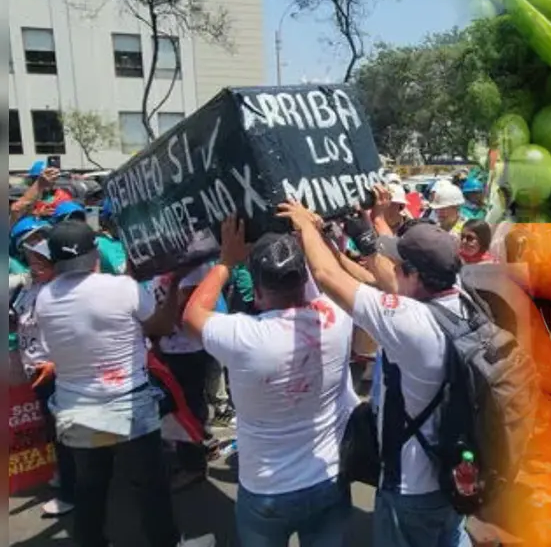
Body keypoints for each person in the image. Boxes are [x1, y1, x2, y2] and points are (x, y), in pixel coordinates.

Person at [278, 197, 469, 547]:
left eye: (398, 266)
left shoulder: (409, 322)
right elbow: (387, 280)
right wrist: (371, 223)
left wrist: (305, 226)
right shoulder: (464, 301)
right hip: (455, 474)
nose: (391, 270)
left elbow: (326, 276)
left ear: (415, 275)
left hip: (412, 487)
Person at [32, 220, 215, 547]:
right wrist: (172, 284)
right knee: (150, 484)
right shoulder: (121, 289)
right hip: (128, 406)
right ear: (95, 256)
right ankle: (167, 542)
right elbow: (158, 325)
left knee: (91, 485)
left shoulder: (44, 298)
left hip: (75, 409)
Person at [181, 217, 359, 547]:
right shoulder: (336, 317)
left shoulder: (244, 336)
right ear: (304, 277)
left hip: (266, 489)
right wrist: (308, 236)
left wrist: (225, 262)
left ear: (257, 291)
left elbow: (192, 316)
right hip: (328, 477)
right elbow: (323, 281)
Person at [11, 221, 77, 517]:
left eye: (42, 260)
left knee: (66, 433)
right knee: (54, 430)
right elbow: (20, 319)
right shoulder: (30, 288)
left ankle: (72, 491)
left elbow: (76, 334)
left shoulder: (62, 291)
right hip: (36, 372)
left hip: (56, 372)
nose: (34, 264)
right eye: (31, 258)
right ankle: (67, 475)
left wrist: (56, 364)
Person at [149, 261, 216, 491]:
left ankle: (194, 466)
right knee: (178, 407)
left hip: (189, 349)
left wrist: (161, 320)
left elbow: (187, 314)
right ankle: (192, 451)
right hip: (168, 347)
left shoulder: (195, 266)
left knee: (189, 406)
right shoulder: (162, 265)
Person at [95, 199, 128, 275]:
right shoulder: (101, 244)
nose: (122, 221)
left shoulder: (132, 237)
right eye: (115, 218)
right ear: (106, 222)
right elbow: (121, 270)